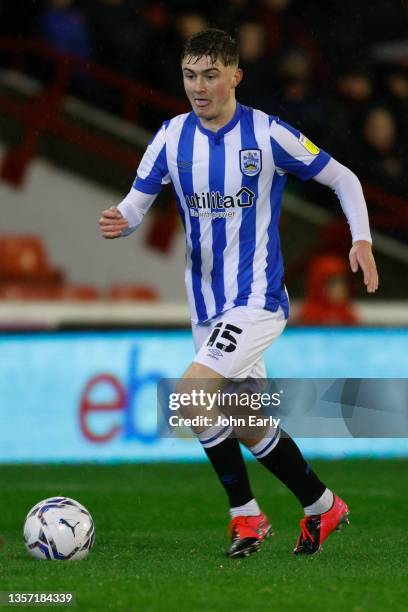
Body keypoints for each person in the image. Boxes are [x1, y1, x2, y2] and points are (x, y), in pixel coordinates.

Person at [99, 29, 378, 558]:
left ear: (234, 76)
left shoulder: (268, 135)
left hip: (256, 300)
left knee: (189, 397)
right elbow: (137, 203)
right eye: (189, 76)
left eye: (209, 75)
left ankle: (246, 518)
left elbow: (344, 178)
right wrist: (122, 219)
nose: (198, 87)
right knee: (247, 424)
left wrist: (360, 239)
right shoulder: (170, 136)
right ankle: (322, 505)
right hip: (206, 307)